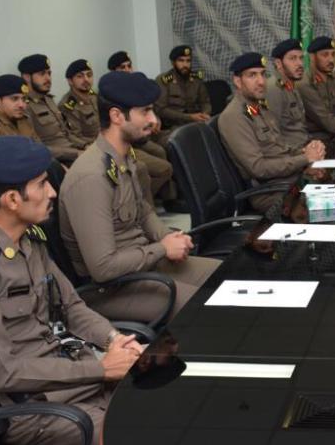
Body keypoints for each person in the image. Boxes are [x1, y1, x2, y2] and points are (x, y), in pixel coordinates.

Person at [0, 135, 143, 445]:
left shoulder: (30, 240)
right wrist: (101, 368)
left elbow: (72, 307)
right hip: (37, 410)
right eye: (42, 184)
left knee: (178, 393)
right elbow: (4, 372)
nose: (53, 192)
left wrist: (115, 340)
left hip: (79, 377)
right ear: (12, 199)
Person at [59, 71, 220, 322]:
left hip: (143, 263)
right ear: (117, 116)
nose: (153, 120)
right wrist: (162, 248)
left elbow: (143, 210)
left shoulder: (123, 157)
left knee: (230, 276)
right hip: (111, 288)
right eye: (145, 112)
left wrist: (167, 237)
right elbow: (103, 268)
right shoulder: (91, 176)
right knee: (208, 311)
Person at [218, 52, 325, 213]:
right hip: (271, 192)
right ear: (238, 81)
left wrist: (307, 152)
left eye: (263, 74)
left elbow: (279, 147)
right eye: (252, 75)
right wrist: (305, 159)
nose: (261, 81)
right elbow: (258, 168)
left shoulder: (259, 107)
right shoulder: (233, 116)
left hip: (289, 180)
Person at [61, 59, 173, 201]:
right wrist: (87, 145)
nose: (86, 79)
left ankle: (150, 201)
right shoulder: (68, 106)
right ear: (70, 81)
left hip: (118, 140)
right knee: (145, 169)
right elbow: (73, 135)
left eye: (89, 75)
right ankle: (136, 201)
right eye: (80, 76)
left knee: (157, 160)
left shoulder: (95, 96)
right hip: (100, 146)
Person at [19, 53, 88, 164]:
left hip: (73, 152)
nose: (48, 78)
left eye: (49, 73)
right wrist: (75, 153)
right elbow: (36, 147)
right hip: (57, 160)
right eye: (42, 74)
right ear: (27, 77)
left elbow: (66, 133)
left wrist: (84, 145)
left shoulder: (49, 100)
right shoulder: (24, 106)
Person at [153, 44, 210, 146]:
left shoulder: (196, 79)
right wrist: (189, 117)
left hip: (196, 122)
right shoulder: (164, 80)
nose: (185, 65)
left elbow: (205, 102)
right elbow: (161, 110)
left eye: (188, 61)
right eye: (181, 61)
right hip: (173, 126)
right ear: (173, 62)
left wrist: (205, 114)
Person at [265, 39, 311, 149]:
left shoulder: (290, 85)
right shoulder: (274, 89)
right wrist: (303, 154)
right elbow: (272, 136)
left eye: (301, 58)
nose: (300, 64)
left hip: (304, 146)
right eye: (293, 58)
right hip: (292, 153)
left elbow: (298, 127)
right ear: (278, 63)